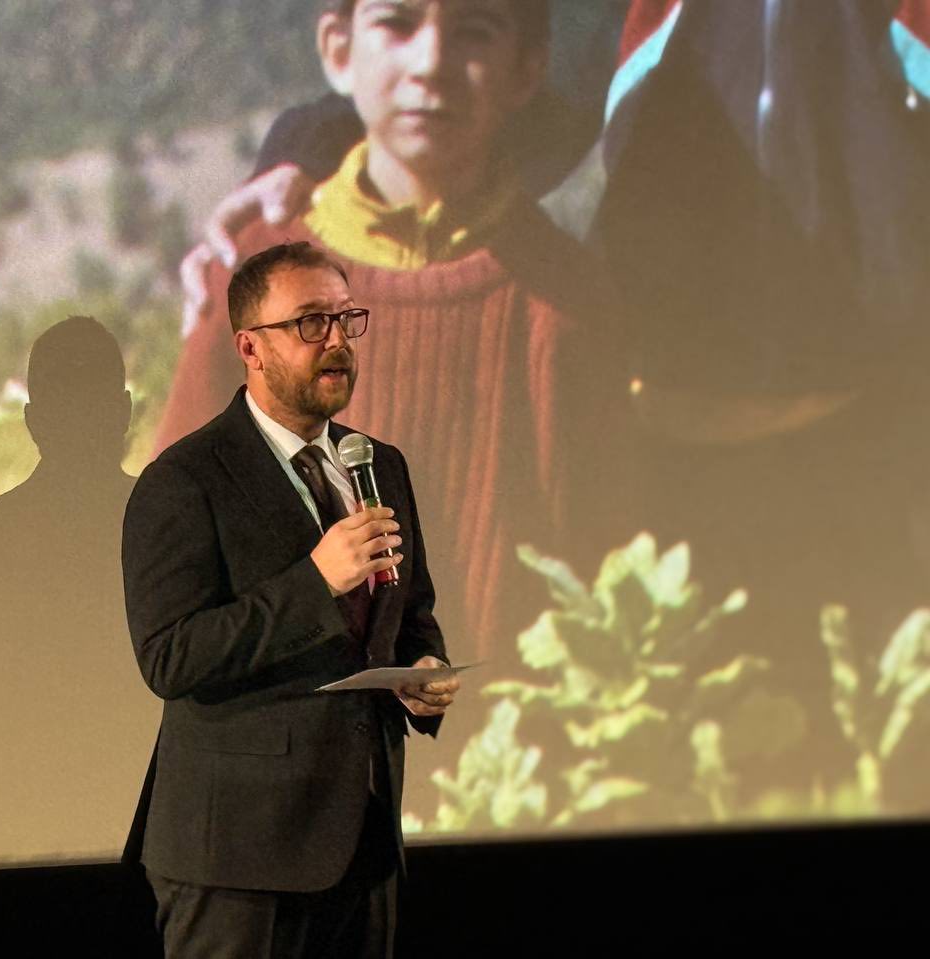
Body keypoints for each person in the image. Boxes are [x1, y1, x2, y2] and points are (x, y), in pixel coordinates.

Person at [155, 0, 631, 687]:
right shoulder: (254, 282)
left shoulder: (565, 301)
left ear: (527, 71)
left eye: (474, 31)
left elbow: (600, 567)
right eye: (398, 23)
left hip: (502, 732)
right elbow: (172, 556)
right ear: (338, 50)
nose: (431, 62)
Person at [122, 242, 458, 957]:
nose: (337, 341)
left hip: (364, 844)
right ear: (250, 346)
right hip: (237, 861)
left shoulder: (379, 463)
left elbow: (409, 611)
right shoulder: (184, 479)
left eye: (346, 319)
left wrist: (424, 667)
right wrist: (315, 582)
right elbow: (170, 656)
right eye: (310, 322)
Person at [0, 316, 159, 860]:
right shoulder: (175, 531)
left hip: (12, 859)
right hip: (149, 854)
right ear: (124, 413)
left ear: (32, 422)